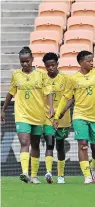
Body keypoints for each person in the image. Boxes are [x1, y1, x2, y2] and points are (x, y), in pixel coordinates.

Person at [1, 47, 54, 184]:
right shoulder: (16, 75)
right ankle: (25, 172)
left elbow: (48, 93)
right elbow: (11, 93)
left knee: (35, 144)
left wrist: (51, 108)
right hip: (22, 114)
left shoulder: (41, 75)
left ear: (32, 60)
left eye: (27, 61)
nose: (25, 64)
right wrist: (3, 109)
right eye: (22, 62)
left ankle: (34, 176)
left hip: (38, 114)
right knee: (25, 141)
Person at [53, 51, 95, 184]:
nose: (92, 63)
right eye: (89, 61)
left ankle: (93, 166)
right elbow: (66, 97)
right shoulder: (73, 78)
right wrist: (57, 116)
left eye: (92, 60)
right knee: (82, 145)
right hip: (79, 115)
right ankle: (87, 176)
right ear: (81, 62)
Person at [42, 52, 73, 184]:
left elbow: (71, 98)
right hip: (47, 116)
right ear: (45, 67)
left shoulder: (66, 79)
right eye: (48, 66)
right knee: (49, 144)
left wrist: (64, 111)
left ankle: (61, 175)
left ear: (57, 64)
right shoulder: (42, 79)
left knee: (60, 147)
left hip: (62, 117)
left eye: (53, 65)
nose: (51, 68)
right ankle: (48, 172)